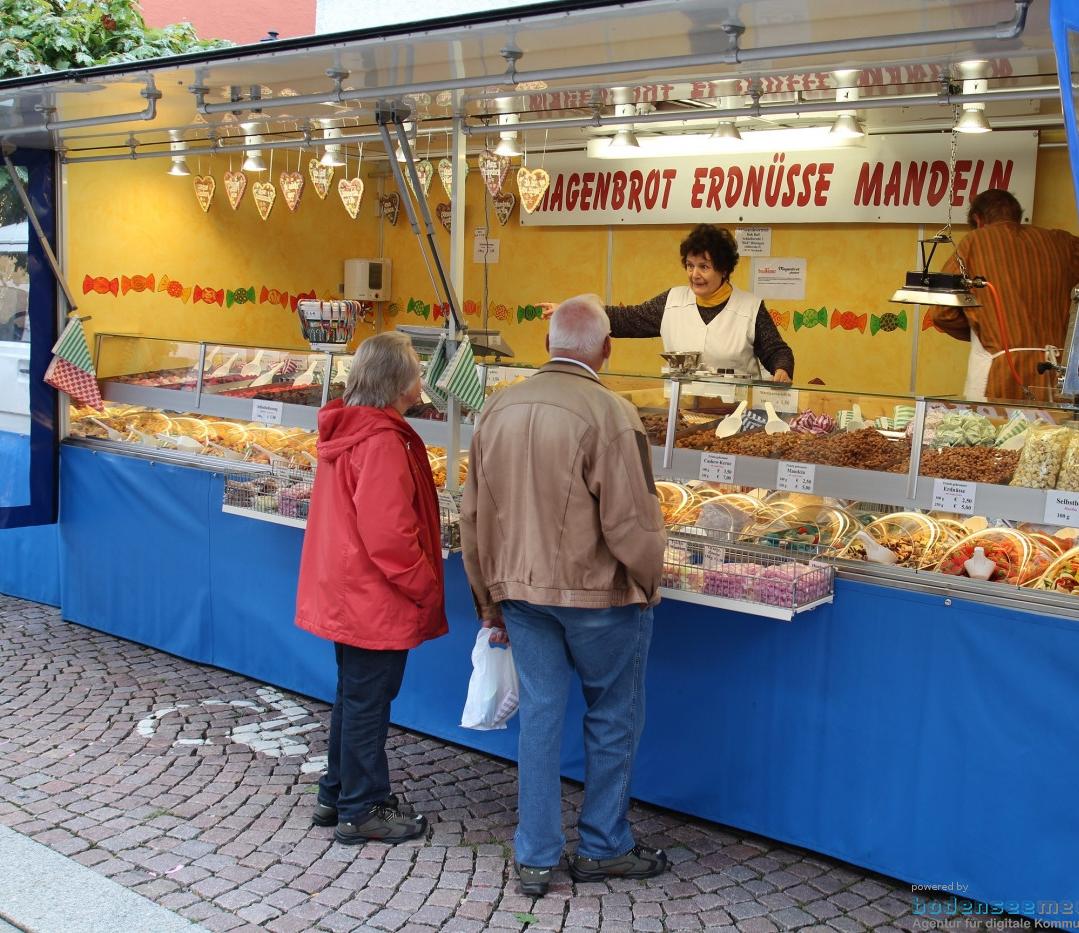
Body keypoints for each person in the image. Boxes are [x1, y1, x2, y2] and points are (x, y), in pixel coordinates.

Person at [460, 294, 669, 896]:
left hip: (521, 595)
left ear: (548, 344)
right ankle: (603, 847)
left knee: (541, 716)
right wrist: (650, 580)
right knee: (612, 717)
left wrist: (488, 599)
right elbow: (630, 523)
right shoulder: (613, 414)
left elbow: (471, 515)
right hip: (600, 597)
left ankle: (535, 856)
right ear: (605, 348)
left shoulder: (496, 408)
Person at [294, 330, 448, 845]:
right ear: (399, 380)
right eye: (417, 370)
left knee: (353, 695)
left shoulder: (353, 430)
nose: (421, 380)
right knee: (367, 700)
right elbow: (390, 536)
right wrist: (425, 584)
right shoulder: (381, 440)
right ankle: (361, 810)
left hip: (349, 589)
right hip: (373, 595)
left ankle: (336, 794)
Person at [543, 223, 794, 382]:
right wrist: (568, 310)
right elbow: (624, 319)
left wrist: (782, 370)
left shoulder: (750, 308)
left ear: (724, 269)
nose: (695, 274)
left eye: (704, 267)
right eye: (690, 265)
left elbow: (777, 351)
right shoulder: (671, 302)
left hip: (737, 415)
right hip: (681, 411)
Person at [930, 189, 1079, 402]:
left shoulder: (974, 242)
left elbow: (941, 312)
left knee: (999, 433)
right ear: (1017, 216)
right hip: (1058, 373)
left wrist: (985, 328)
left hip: (1002, 375)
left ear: (979, 220)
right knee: (1052, 434)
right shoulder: (1064, 243)